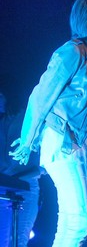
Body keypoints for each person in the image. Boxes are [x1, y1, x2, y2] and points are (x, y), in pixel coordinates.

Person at [9, 0, 87, 247]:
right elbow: (41, 95)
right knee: (80, 220)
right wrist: (27, 140)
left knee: (72, 219)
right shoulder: (70, 52)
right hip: (64, 142)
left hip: (83, 147)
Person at [0, 88, 42, 247]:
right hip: (3, 188)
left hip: (27, 188)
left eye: (0, 95)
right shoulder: (1, 121)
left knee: (18, 241)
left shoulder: (30, 119)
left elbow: (44, 164)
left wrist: (19, 178)